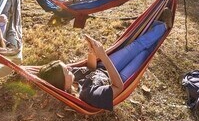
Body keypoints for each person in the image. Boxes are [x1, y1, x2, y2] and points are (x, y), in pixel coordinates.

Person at [37, 21, 167, 110]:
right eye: (67, 71)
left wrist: (92, 53)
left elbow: (91, 69)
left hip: (104, 67)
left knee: (135, 46)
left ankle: (161, 25)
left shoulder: (72, 77)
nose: (70, 68)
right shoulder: (89, 95)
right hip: (119, 78)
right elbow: (118, 87)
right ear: (63, 85)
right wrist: (103, 56)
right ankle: (159, 30)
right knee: (143, 55)